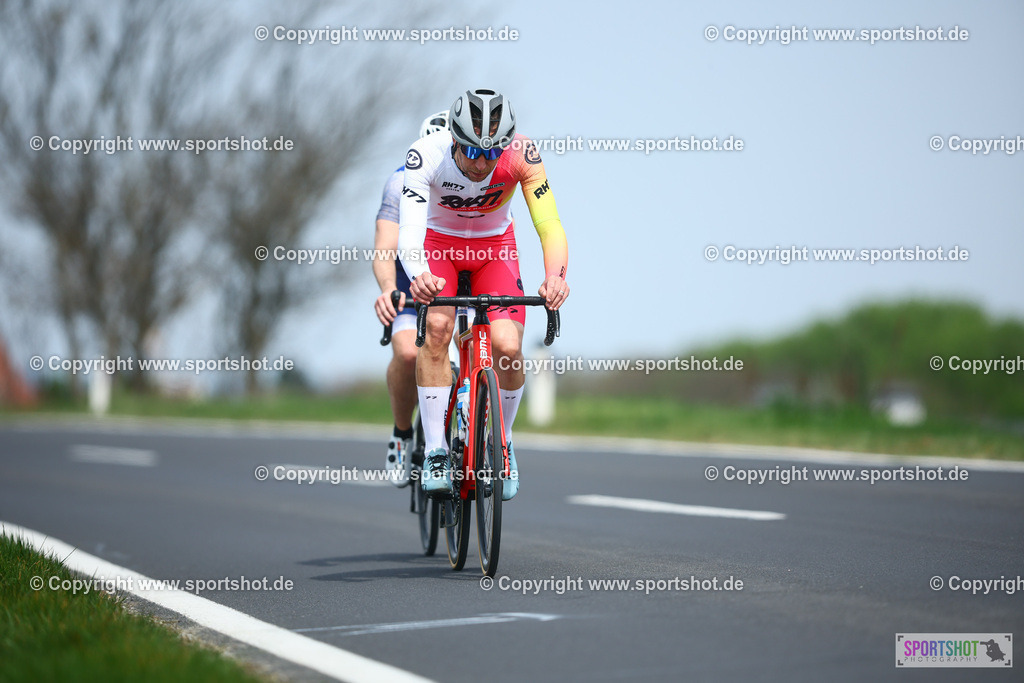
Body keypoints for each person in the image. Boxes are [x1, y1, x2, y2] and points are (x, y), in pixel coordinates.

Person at [398, 88, 569, 500]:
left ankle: (504, 442)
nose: (481, 164)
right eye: (472, 152)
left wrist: (556, 276)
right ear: (455, 139)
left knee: (508, 344)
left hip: (495, 250)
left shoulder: (522, 155)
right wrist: (418, 275)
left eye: (492, 155)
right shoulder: (425, 155)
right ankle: (437, 449)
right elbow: (409, 234)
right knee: (437, 328)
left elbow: (550, 224)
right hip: (440, 248)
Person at [373, 111, 450, 487]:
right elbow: (385, 247)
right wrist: (388, 288)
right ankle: (403, 432)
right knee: (407, 354)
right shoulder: (400, 181)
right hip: (408, 281)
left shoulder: (480, 181)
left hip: (454, 279)